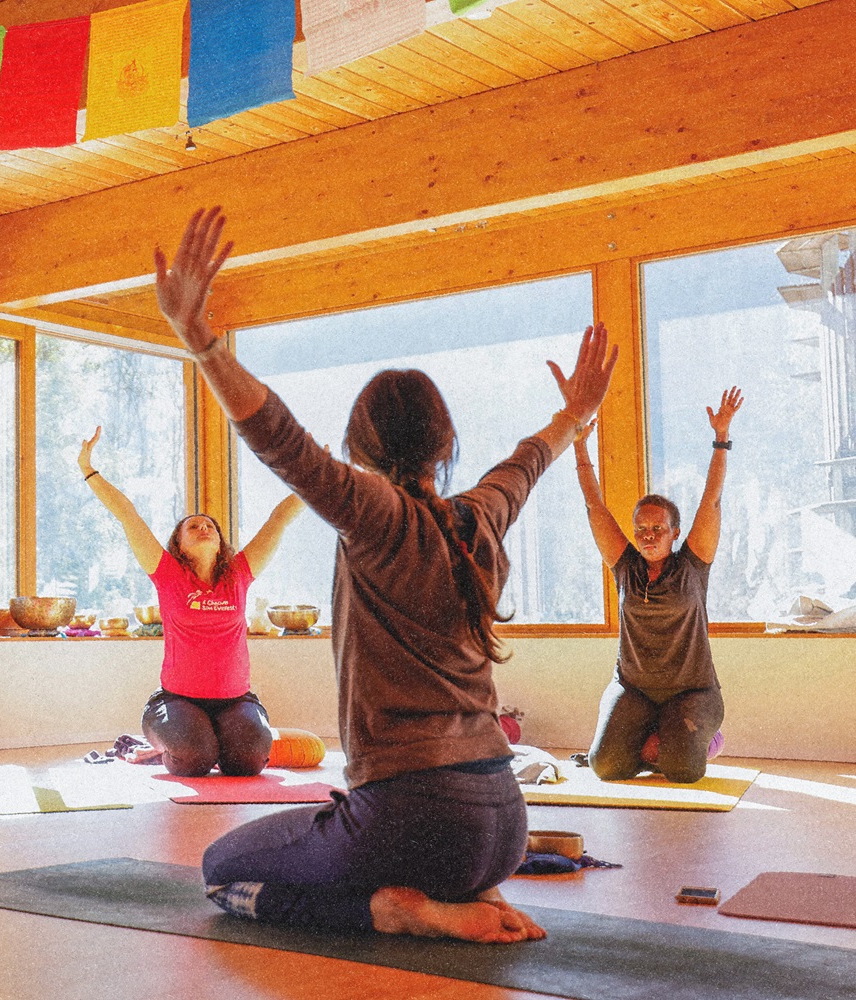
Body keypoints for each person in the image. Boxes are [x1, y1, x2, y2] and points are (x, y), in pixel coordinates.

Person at [154, 207, 617, 944]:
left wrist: (201, 341)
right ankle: (463, 893)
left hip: (412, 823)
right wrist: (577, 412)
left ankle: (401, 911)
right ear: (446, 445)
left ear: (358, 447)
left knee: (222, 869)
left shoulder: (375, 514)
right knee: (327, 829)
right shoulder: (479, 517)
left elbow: (280, 440)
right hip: (501, 827)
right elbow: (530, 459)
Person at [78, 426, 305, 777]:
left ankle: (215, 740)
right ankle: (158, 745)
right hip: (175, 701)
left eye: (209, 526)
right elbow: (128, 514)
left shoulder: (239, 574)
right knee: (193, 759)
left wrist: (315, 475)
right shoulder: (168, 574)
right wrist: (89, 470)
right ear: (179, 546)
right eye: (193, 526)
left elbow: (280, 519)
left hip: (236, 701)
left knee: (248, 763)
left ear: (220, 543)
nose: (203, 528)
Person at [570, 388, 743, 784]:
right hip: (633, 690)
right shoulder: (624, 566)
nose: (648, 536)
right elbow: (594, 506)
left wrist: (721, 438)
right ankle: (654, 738)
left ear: (674, 532)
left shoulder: (692, 565)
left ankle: (701, 740)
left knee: (685, 770)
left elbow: (711, 501)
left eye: (658, 529)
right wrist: (580, 446)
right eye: (641, 529)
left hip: (692, 693)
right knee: (606, 768)